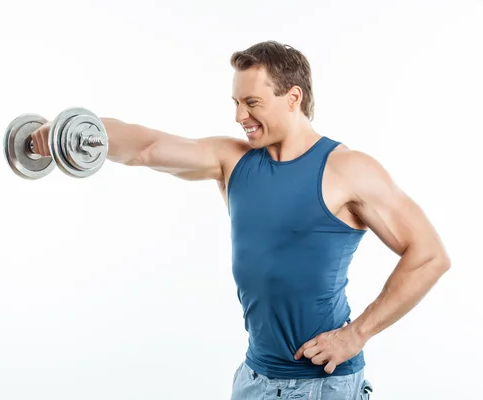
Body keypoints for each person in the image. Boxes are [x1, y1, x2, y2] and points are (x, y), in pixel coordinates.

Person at [30, 41, 450, 399]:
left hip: (322, 385)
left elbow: (429, 255)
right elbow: (148, 147)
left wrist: (356, 334)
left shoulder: (349, 169)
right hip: (254, 378)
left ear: (293, 97)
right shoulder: (233, 161)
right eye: (235, 102)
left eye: (252, 103)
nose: (239, 116)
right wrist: (72, 132)